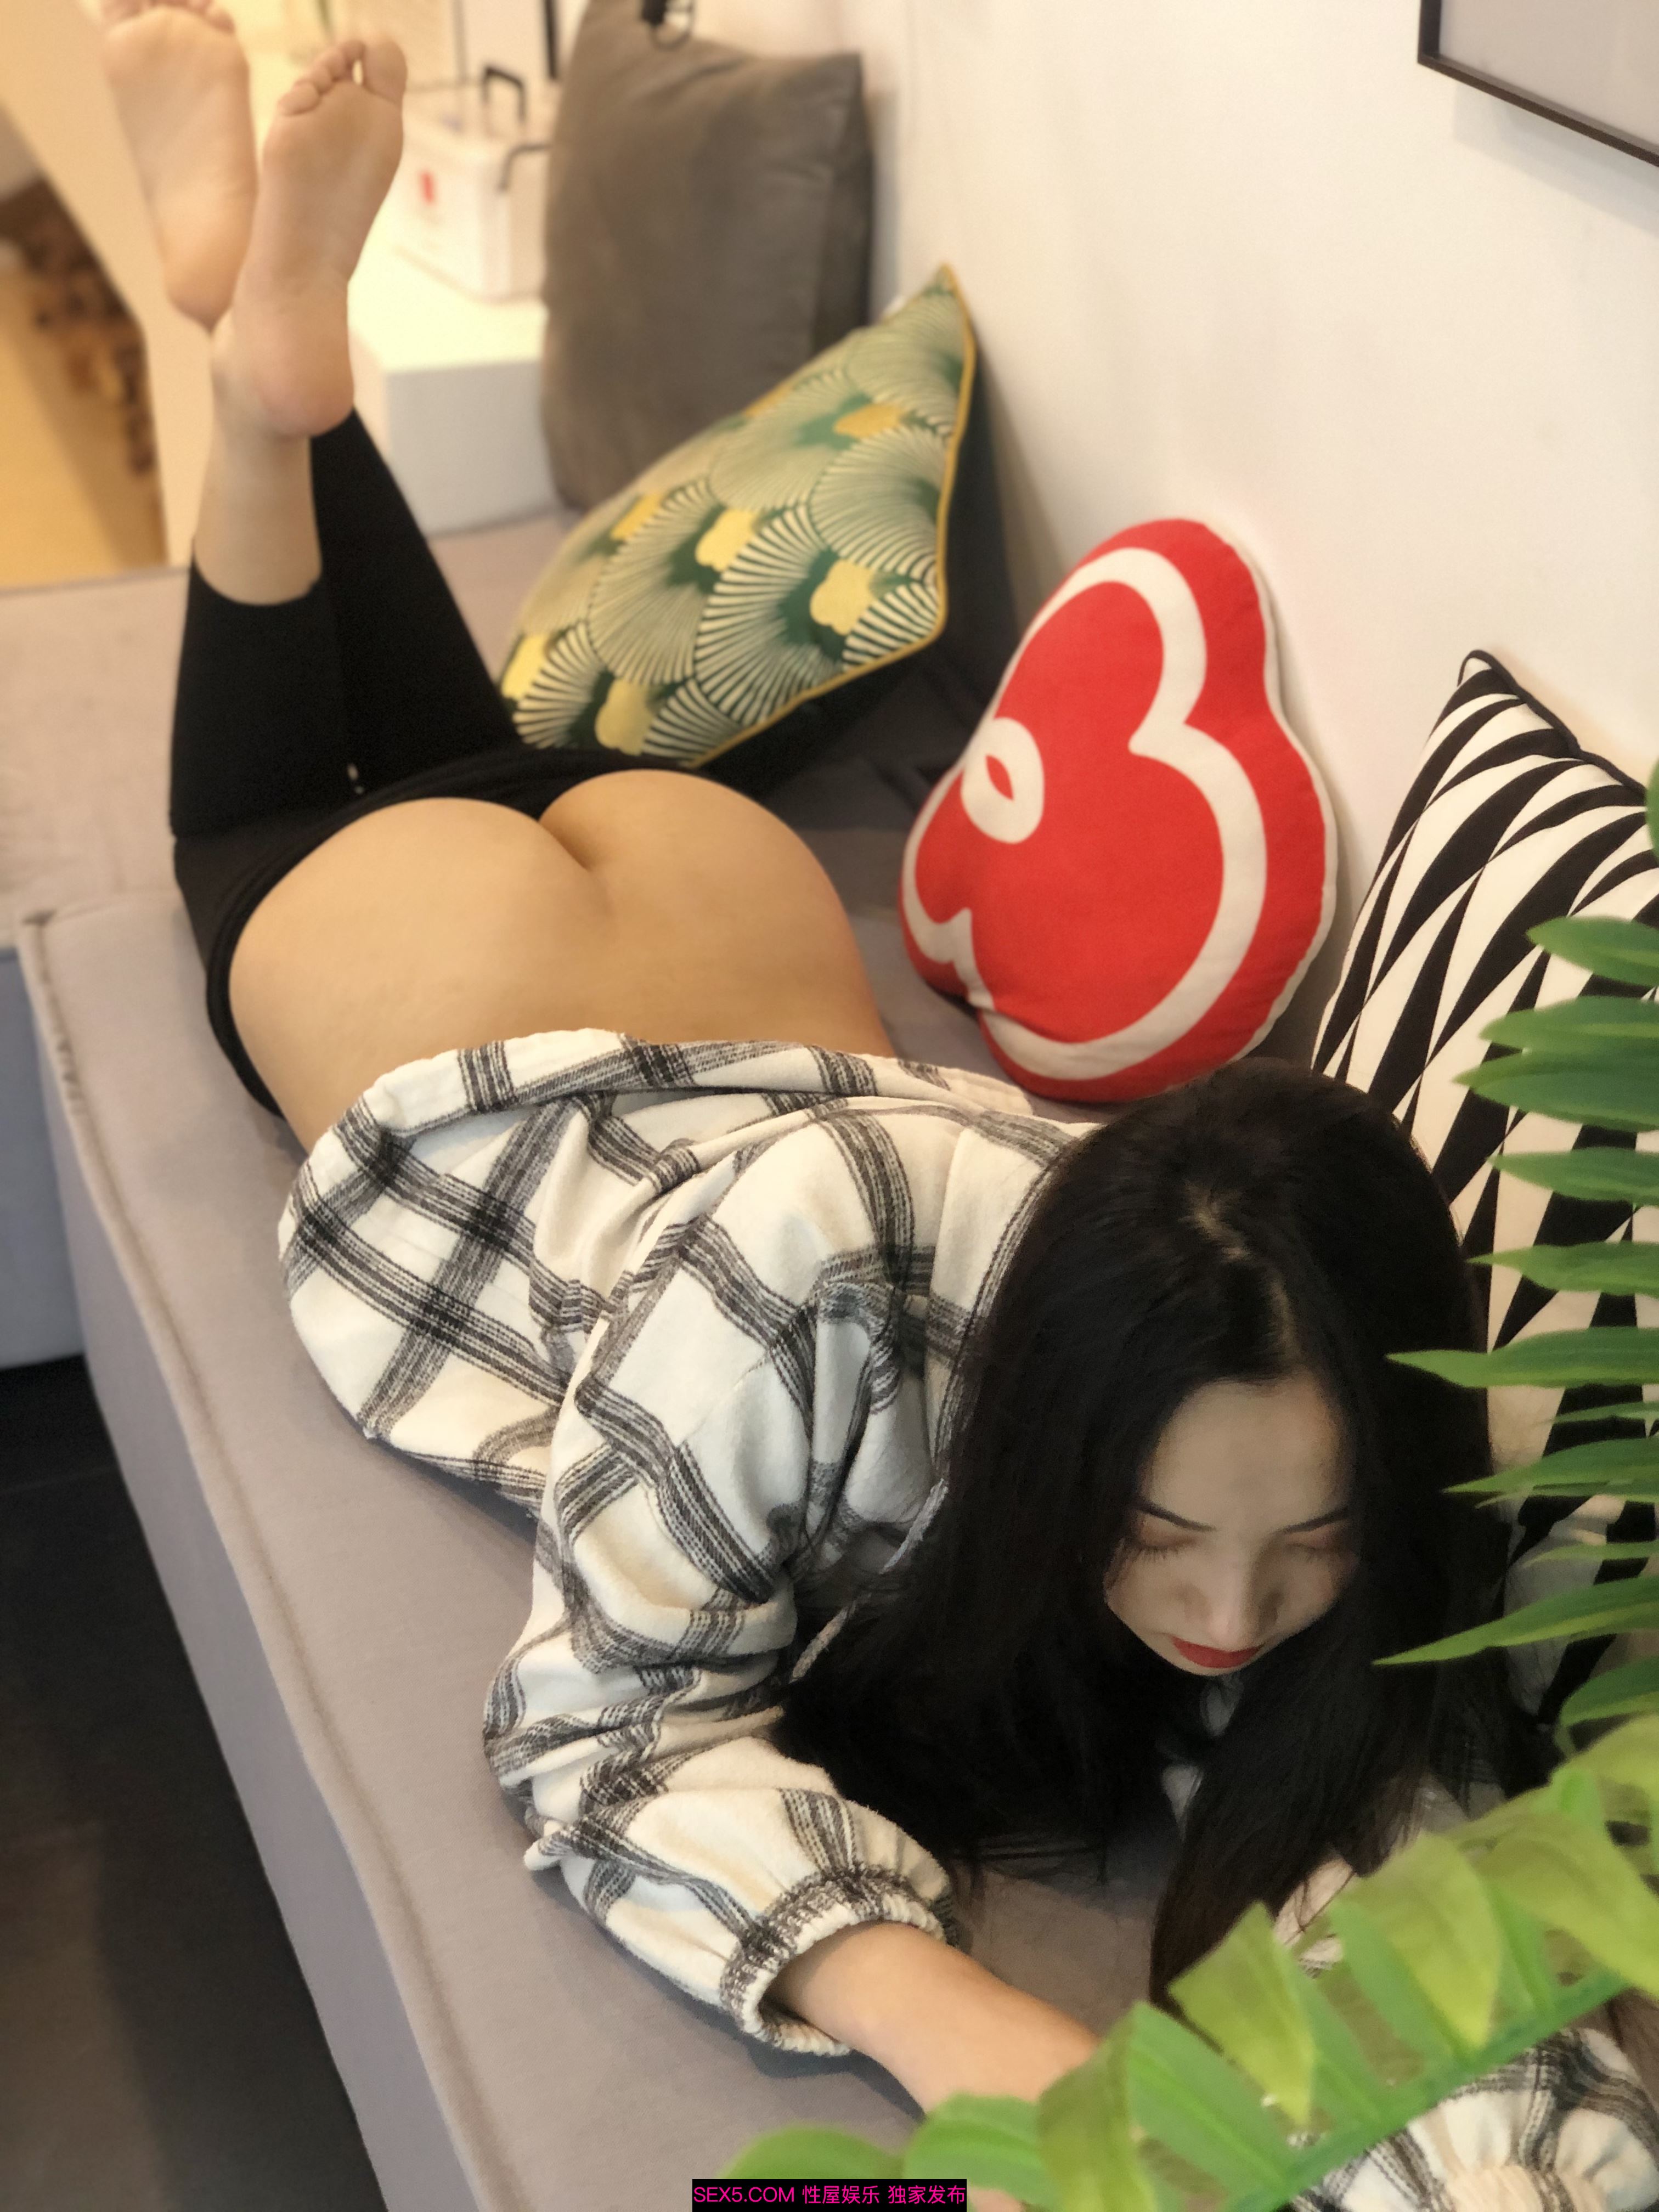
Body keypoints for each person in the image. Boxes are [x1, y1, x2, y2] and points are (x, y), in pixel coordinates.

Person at [100, 10, 1659, 2200]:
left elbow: (1418, 1836)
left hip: (739, 950)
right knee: (260, 831)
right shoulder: (798, 1314)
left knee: (459, 762)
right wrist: (1001, 2055)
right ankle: (262, 373)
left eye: (1311, 1544)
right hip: (500, 1040)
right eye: (1156, 1533)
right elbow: (597, 1736)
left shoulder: (1258, 1309)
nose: (1227, 1616)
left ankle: (263, 331)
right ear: (1051, 1411)